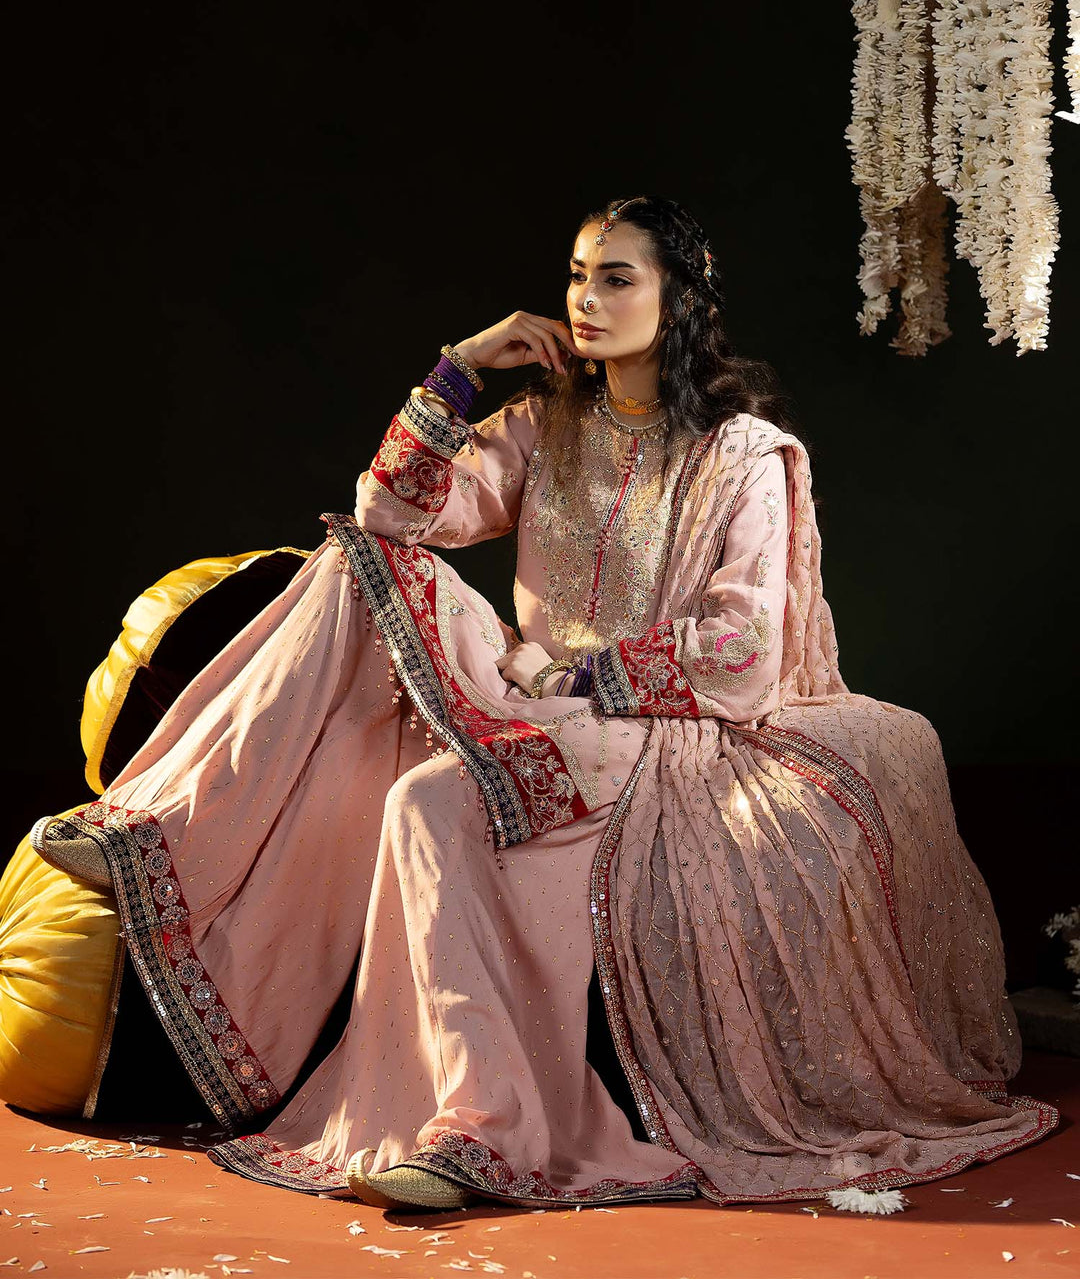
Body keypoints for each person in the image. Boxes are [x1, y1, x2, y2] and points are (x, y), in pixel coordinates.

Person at [31, 196, 1058, 1212]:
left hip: (649, 727)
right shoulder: (542, 424)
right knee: (358, 563)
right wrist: (460, 367)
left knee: (427, 802)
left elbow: (741, 655)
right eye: (576, 276)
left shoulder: (744, 456)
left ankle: (475, 1132)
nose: (586, 299)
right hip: (525, 696)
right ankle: (165, 828)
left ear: (680, 298)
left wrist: (569, 679)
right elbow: (389, 510)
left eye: (617, 278)